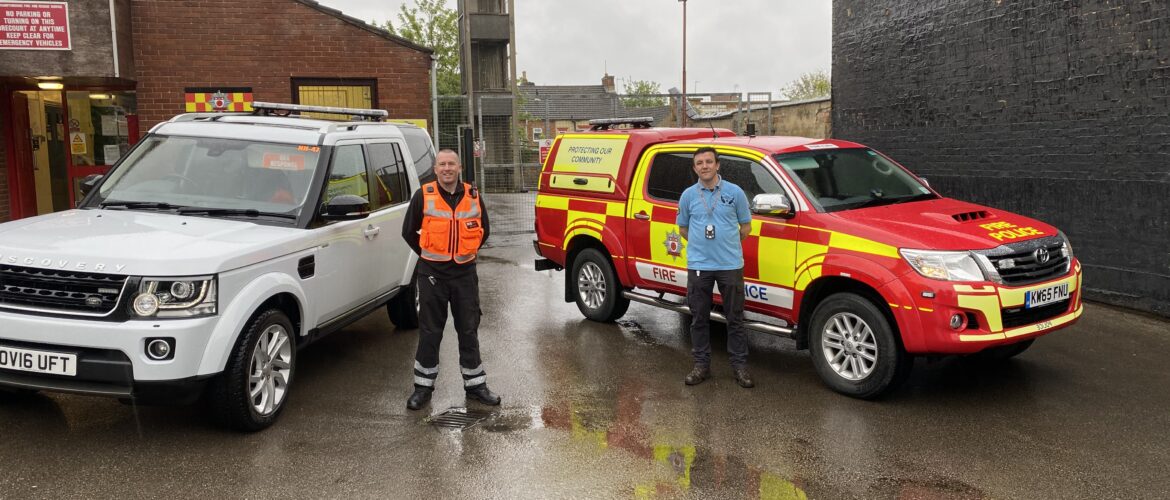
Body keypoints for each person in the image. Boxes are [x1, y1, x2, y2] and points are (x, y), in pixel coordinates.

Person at [401, 149, 501, 410]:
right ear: (435, 169)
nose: (447, 168)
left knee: (468, 330)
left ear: (459, 167)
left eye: (451, 164)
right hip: (432, 274)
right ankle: (423, 388)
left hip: (464, 274)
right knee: (430, 331)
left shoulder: (473, 195)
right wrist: (429, 257)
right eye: (442, 164)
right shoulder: (423, 195)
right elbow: (408, 231)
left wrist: (465, 252)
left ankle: (476, 385)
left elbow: (484, 230)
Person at [675, 147, 755, 388]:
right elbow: (683, 229)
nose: (704, 166)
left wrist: (726, 244)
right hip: (699, 265)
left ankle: (740, 367)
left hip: (730, 264)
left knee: (735, 319)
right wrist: (702, 247)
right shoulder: (688, 195)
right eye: (699, 163)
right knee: (699, 318)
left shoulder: (735, 192)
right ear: (694, 168)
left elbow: (746, 227)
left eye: (709, 161)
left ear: (718, 165)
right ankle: (701, 366)